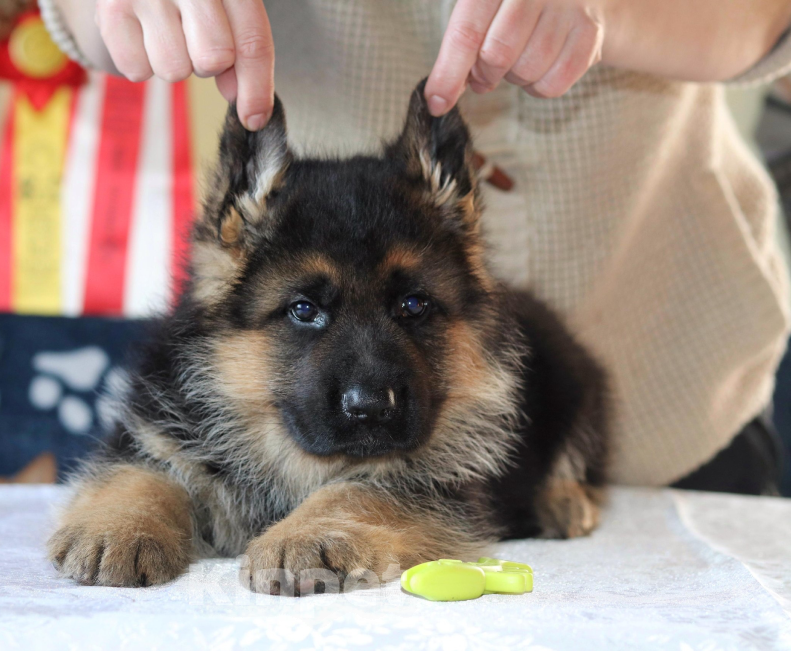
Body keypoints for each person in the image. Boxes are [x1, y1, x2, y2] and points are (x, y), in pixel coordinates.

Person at [41, 0, 791, 494]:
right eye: (306, 310)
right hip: (282, 445)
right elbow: (83, 16)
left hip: (682, 378)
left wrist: (612, 9)